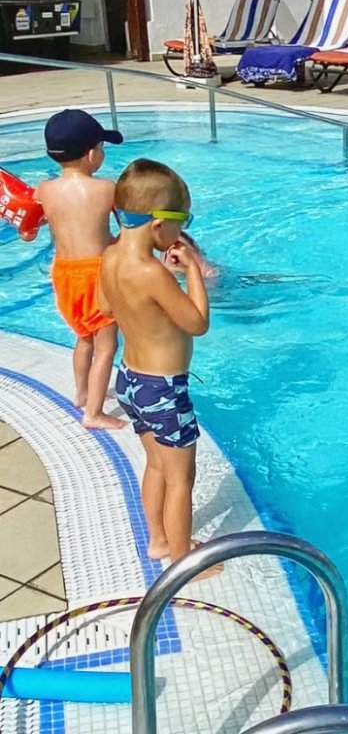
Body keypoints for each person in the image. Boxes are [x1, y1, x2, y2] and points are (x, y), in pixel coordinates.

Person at [99, 159, 215, 574]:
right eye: (182, 223)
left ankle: (159, 540)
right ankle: (182, 562)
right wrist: (192, 271)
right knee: (181, 478)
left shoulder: (111, 257)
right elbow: (197, 323)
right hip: (164, 390)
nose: (181, 235)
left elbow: (105, 307)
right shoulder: (151, 272)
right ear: (159, 225)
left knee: (155, 465)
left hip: (130, 380)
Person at [35, 109, 126, 431]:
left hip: (63, 273)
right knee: (107, 345)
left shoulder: (44, 190)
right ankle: (94, 413)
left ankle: (82, 393)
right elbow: (128, 229)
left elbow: (30, 227)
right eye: (102, 148)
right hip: (96, 275)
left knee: (84, 337)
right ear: (91, 155)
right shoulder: (106, 189)